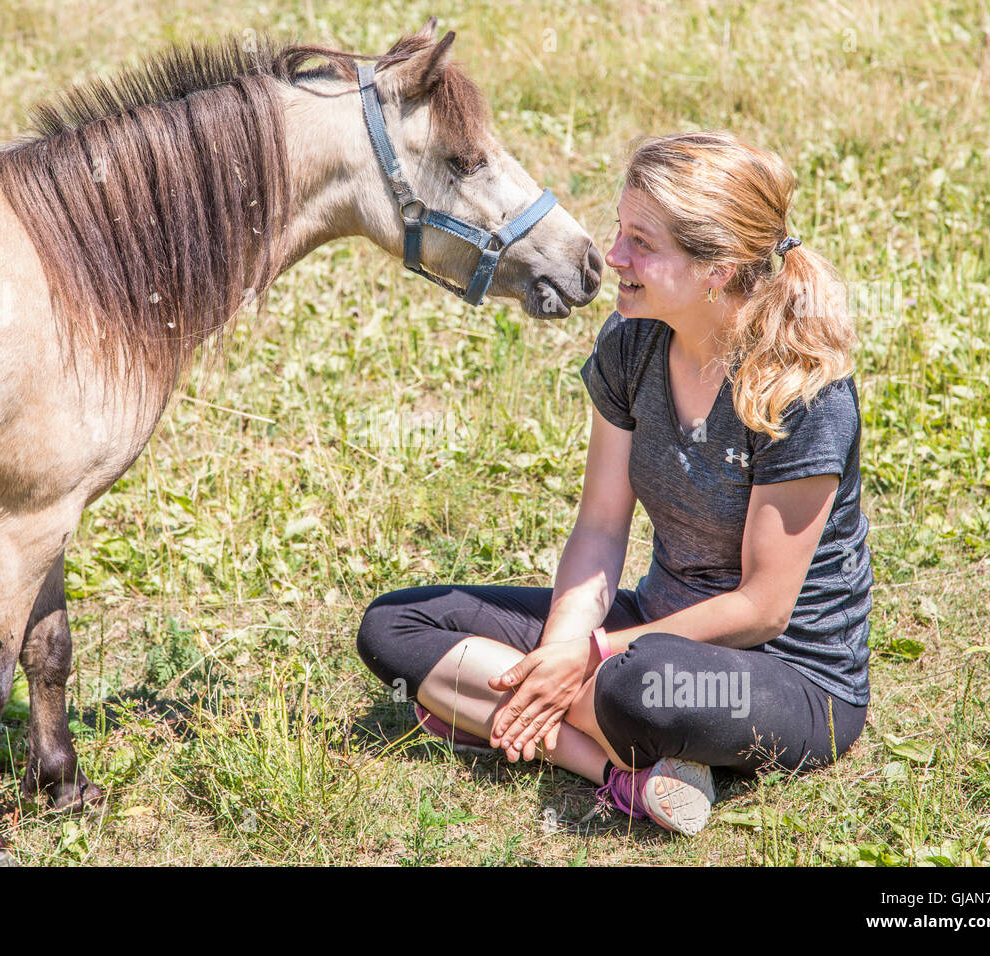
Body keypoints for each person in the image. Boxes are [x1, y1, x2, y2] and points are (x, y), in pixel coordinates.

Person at [355, 130, 872, 836]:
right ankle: (616, 771)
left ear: (716, 268)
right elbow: (601, 524)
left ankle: (487, 704)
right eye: (621, 230)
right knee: (396, 624)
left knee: (639, 688)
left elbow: (763, 607)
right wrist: (568, 643)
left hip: (786, 678)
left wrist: (595, 656)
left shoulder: (802, 392)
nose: (615, 256)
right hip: (646, 628)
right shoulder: (632, 345)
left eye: (641, 242)